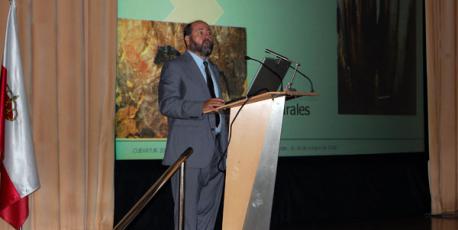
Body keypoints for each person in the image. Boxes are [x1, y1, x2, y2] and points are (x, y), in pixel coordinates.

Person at [158, 20, 228, 230]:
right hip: (188, 154)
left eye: (209, 32)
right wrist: (200, 107)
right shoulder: (174, 66)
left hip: (216, 153)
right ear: (187, 39)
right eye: (200, 32)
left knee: (207, 215)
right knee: (187, 217)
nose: (207, 35)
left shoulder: (214, 69)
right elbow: (167, 104)